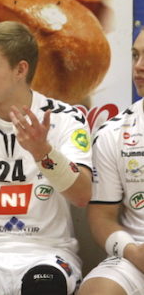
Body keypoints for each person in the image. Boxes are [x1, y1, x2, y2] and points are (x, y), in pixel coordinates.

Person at [0, 21, 93, 295]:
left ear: (20, 70)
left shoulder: (66, 117)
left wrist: (42, 152)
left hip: (47, 252)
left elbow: (82, 195)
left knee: (43, 285)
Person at [78, 29, 144, 295]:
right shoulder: (113, 133)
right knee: (98, 289)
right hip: (137, 253)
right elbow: (102, 217)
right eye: (135, 55)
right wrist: (132, 251)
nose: (138, 67)